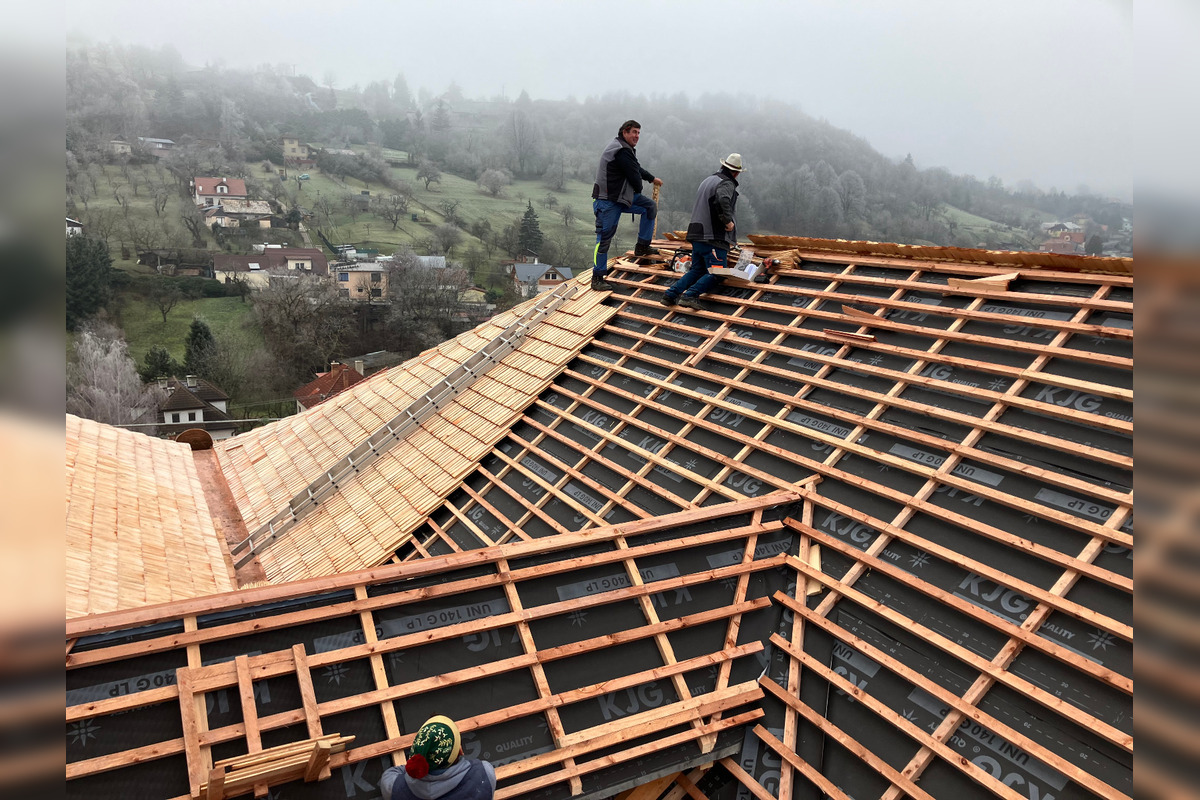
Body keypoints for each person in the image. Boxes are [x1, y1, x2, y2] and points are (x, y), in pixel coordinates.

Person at [661, 153, 744, 312]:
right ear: (736, 173)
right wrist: (728, 222)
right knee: (718, 272)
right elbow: (722, 200)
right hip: (712, 237)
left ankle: (670, 295)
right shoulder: (726, 183)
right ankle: (690, 296)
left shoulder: (708, 180)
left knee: (698, 270)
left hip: (697, 234)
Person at [591, 119, 664, 291]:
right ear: (625, 132)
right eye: (634, 132)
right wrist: (639, 186)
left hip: (620, 197)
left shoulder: (625, 149)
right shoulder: (621, 150)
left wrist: (652, 178)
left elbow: (636, 168)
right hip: (607, 200)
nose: (637, 136)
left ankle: (642, 246)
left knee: (649, 207)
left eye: (639, 133)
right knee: (604, 239)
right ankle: (597, 277)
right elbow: (634, 177)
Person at [381, 715, 496, 800]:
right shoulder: (484, 773)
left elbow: (395, 773)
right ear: (459, 751)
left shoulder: (392, 787)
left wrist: (420, 763)